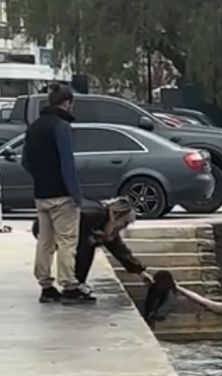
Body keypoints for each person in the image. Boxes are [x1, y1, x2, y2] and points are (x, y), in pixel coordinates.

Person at [23, 84, 93, 303]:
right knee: (67, 241)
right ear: (67, 103)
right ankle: (69, 285)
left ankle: (46, 285)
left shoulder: (34, 127)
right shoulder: (61, 127)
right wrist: (76, 196)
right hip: (62, 195)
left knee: (45, 241)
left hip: (41, 194)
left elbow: (26, 161)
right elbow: (67, 164)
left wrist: (40, 177)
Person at [32, 197, 153, 295]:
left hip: (49, 225)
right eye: (125, 223)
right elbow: (80, 242)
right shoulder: (96, 215)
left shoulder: (105, 218)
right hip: (51, 228)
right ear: (117, 215)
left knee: (89, 242)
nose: (124, 227)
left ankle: (69, 283)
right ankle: (72, 286)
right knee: (87, 244)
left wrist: (140, 272)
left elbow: (119, 249)